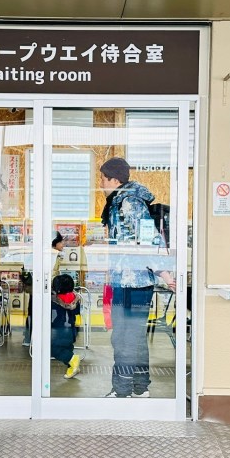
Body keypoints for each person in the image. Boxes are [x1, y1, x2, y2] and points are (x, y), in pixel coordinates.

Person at [99, 157, 175, 398]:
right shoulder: (120, 201)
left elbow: (149, 239)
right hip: (129, 279)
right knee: (134, 336)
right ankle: (140, 388)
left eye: (103, 179)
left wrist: (165, 273)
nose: (100, 184)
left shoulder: (129, 202)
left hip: (135, 281)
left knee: (124, 337)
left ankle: (122, 391)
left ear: (114, 179)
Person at [51, 273, 82, 379]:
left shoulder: (54, 300)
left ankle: (72, 361)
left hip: (59, 330)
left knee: (52, 349)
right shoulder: (76, 298)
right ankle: (73, 368)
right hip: (72, 330)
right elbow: (77, 312)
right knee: (67, 348)